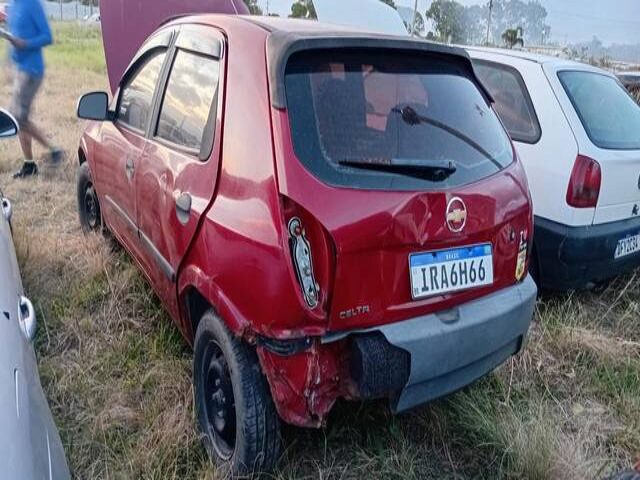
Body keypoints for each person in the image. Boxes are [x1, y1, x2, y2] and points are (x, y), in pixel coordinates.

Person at [6, 0, 63, 178]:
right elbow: (13, 35)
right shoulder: (13, 5)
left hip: (32, 71)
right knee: (21, 118)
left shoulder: (32, 4)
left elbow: (47, 36)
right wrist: (9, 60)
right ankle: (29, 164)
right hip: (20, 69)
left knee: (18, 118)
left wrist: (24, 44)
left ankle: (54, 150)